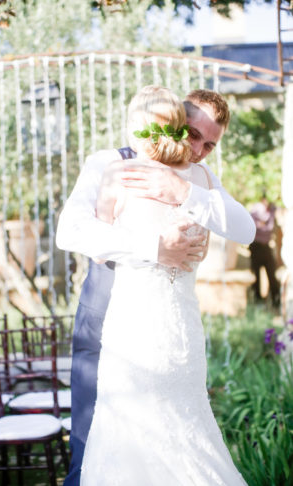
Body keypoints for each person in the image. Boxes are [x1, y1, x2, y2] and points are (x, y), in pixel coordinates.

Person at [56, 88, 256, 485]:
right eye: (193, 135)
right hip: (105, 325)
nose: (198, 150)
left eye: (210, 145)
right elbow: (72, 231)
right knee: (94, 449)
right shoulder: (110, 163)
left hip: (171, 328)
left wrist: (184, 191)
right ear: (174, 120)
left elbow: (245, 228)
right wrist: (156, 249)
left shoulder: (198, 177)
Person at [249, 195, 281, 308]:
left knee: (272, 274)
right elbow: (257, 227)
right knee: (256, 275)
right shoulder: (256, 211)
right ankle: (258, 301)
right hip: (256, 246)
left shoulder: (272, 210)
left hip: (266, 246)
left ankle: (276, 300)